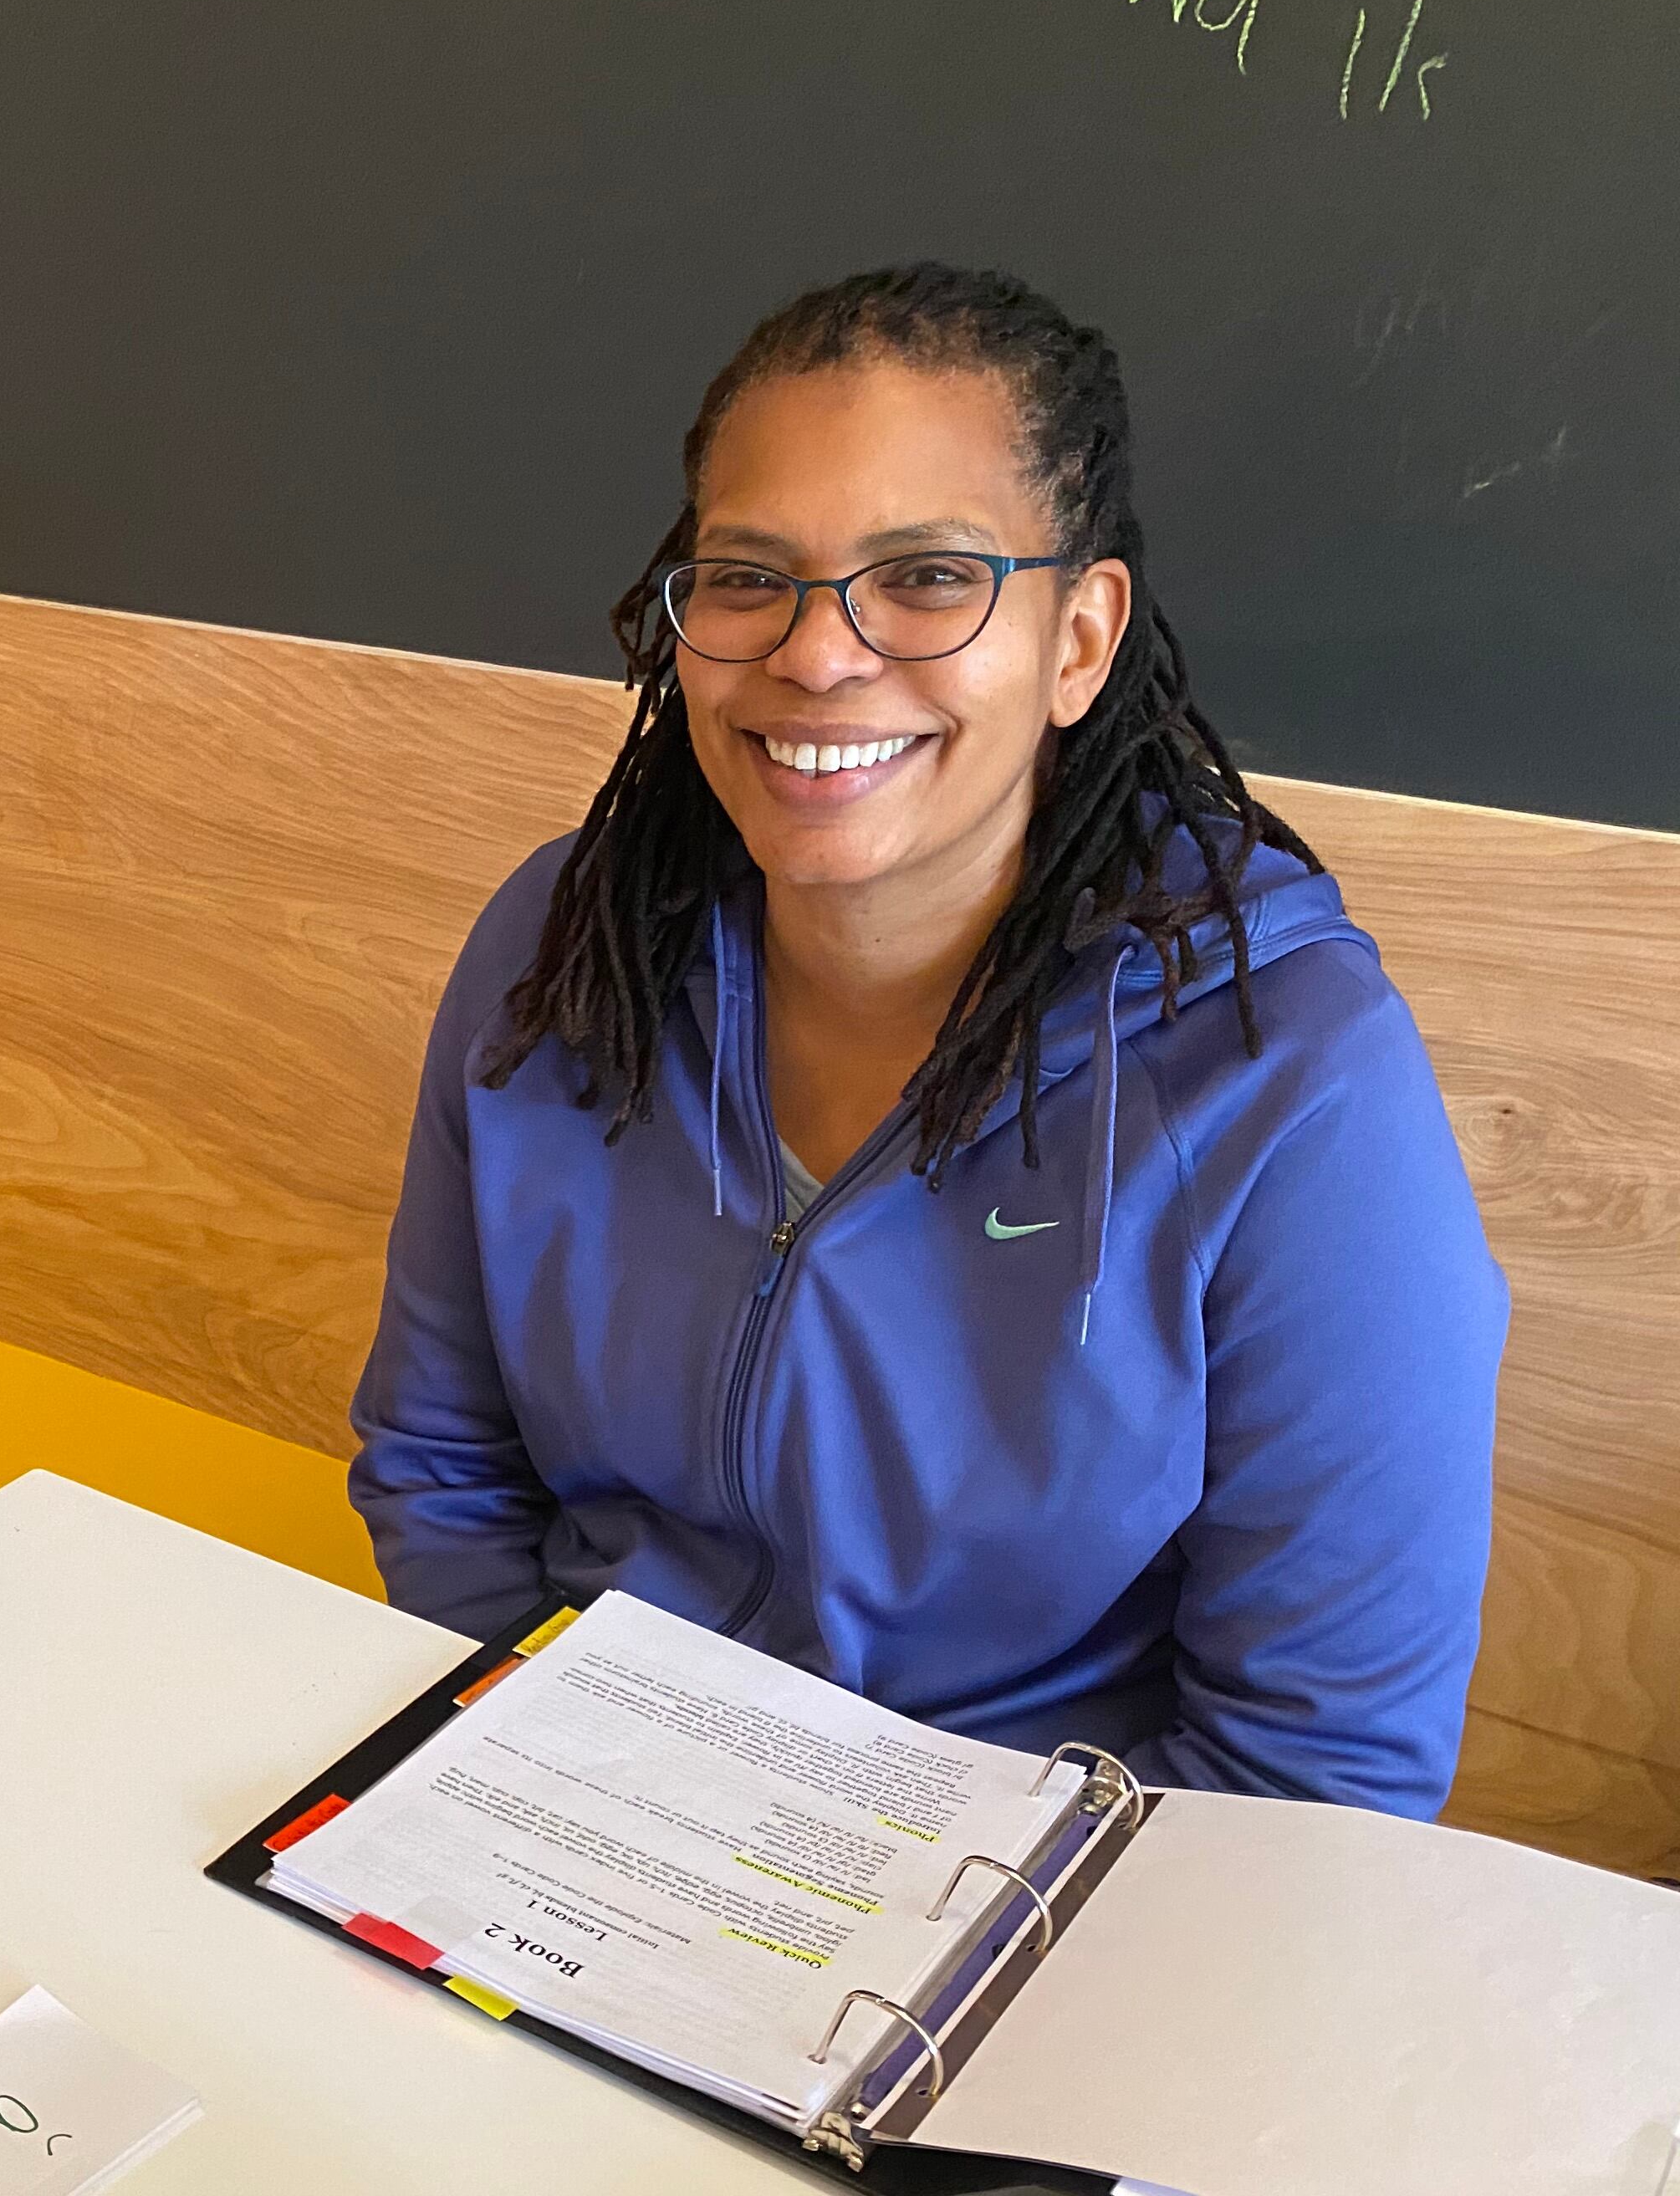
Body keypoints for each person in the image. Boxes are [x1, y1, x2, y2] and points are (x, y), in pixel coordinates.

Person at [349, 263, 1504, 1817]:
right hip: (576, 1813)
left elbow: (1316, 1770)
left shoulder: (1291, 1078)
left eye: (928, 576)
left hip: (1022, 1920)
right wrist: (556, 1802)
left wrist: (858, 1912)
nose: (819, 654)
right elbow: (441, 1466)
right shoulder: (558, 953)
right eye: (750, 576)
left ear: (1079, 639)